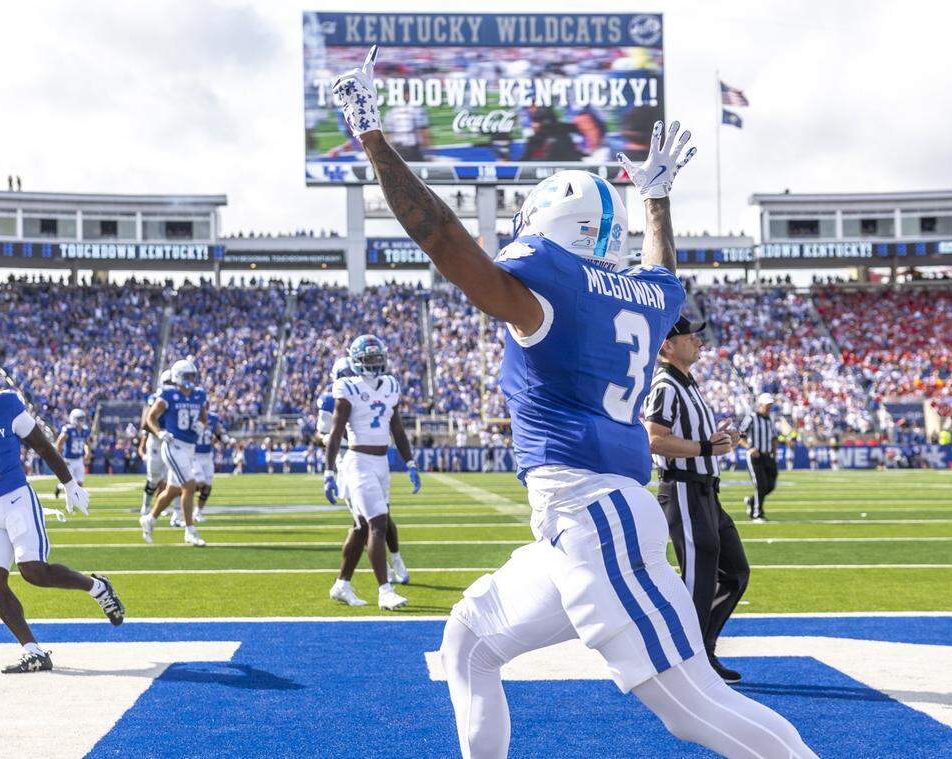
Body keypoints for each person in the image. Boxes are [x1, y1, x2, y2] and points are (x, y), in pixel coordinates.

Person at [332, 46, 815, 759]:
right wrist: (656, 197)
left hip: (595, 517)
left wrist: (372, 137)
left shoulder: (541, 297)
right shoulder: (641, 298)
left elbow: (442, 237)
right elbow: (662, 273)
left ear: (544, 224)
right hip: (579, 522)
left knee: (697, 708)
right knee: (468, 641)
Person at [0, 344, 124, 673]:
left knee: (34, 572)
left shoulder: (6, 404)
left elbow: (41, 445)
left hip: (18, 498)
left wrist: (69, 482)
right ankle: (32, 650)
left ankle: (97, 587)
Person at [645, 316, 749, 683]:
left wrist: (718, 439)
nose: (699, 343)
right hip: (684, 488)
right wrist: (706, 446)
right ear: (667, 346)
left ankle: (701, 650)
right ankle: (685, 664)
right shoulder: (666, 385)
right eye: (691, 337)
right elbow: (655, 439)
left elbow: (690, 440)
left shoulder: (687, 384)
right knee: (698, 579)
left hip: (705, 490)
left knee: (734, 572)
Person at [323, 336, 420, 611]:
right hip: (358, 462)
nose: (375, 364)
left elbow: (397, 429)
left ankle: (342, 584)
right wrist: (329, 471)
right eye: (369, 359)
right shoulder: (347, 386)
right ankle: (384, 590)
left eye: (378, 358)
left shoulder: (390, 385)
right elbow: (336, 431)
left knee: (362, 526)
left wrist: (410, 462)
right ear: (355, 361)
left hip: (381, 464)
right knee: (378, 523)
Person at [140, 359, 207, 547]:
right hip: (173, 446)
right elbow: (150, 417)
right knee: (189, 486)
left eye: (193, 376)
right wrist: (160, 432)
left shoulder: (199, 395)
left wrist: (201, 425)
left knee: (172, 491)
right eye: (187, 376)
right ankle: (190, 531)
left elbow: (204, 417)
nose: (190, 380)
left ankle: (150, 518)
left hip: (189, 447)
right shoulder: (168, 394)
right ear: (177, 376)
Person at [740, 393, 779, 522]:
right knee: (761, 484)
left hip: (768, 455)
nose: (769, 407)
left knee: (771, 485)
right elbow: (740, 436)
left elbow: (774, 437)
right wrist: (749, 448)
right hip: (755, 456)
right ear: (760, 405)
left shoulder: (770, 419)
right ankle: (757, 514)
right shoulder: (751, 418)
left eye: (770, 405)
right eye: (767, 405)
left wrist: (774, 453)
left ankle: (752, 501)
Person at [138, 370, 173, 515]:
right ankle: (146, 505)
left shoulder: (179, 398)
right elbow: (145, 424)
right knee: (153, 479)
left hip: (170, 441)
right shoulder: (155, 398)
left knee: (168, 478)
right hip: (156, 441)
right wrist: (159, 432)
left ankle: (162, 506)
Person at [54, 408, 90, 499]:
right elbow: (59, 442)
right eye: (79, 418)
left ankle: (77, 499)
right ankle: (60, 489)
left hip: (79, 459)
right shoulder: (68, 430)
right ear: (73, 419)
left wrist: (87, 452)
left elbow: (86, 443)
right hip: (68, 460)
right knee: (68, 482)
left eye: (82, 418)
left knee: (80, 482)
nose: (82, 421)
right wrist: (60, 457)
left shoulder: (85, 430)